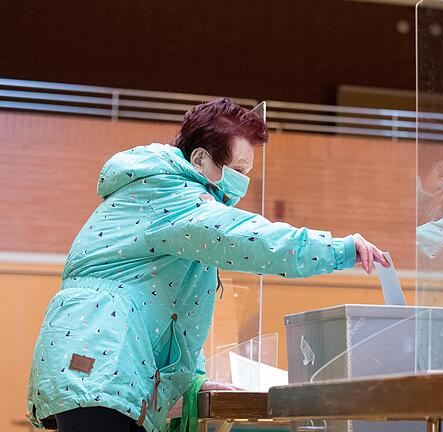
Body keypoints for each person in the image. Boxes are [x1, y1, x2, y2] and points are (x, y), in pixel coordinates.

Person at [26, 98, 389, 432]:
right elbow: (252, 239)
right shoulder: (169, 194)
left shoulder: (165, 197)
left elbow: (174, 311)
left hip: (98, 360)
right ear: (200, 160)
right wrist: (340, 249)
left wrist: (194, 381)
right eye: (238, 168)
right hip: (102, 361)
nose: (243, 181)